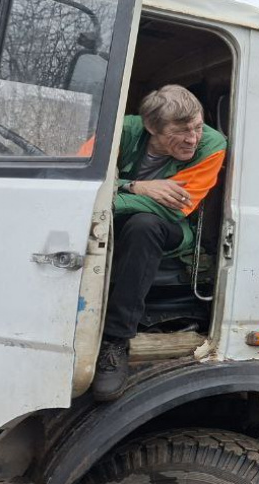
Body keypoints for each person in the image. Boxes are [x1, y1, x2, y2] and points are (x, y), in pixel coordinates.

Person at [94, 85, 226, 400]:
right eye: (180, 132)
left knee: (144, 225)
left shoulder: (213, 144)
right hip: (114, 218)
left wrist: (112, 199)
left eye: (197, 127)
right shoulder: (121, 130)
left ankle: (115, 341)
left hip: (173, 229)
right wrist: (137, 187)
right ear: (151, 127)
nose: (193, 139)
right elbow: (85, 181)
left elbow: (177, 206)